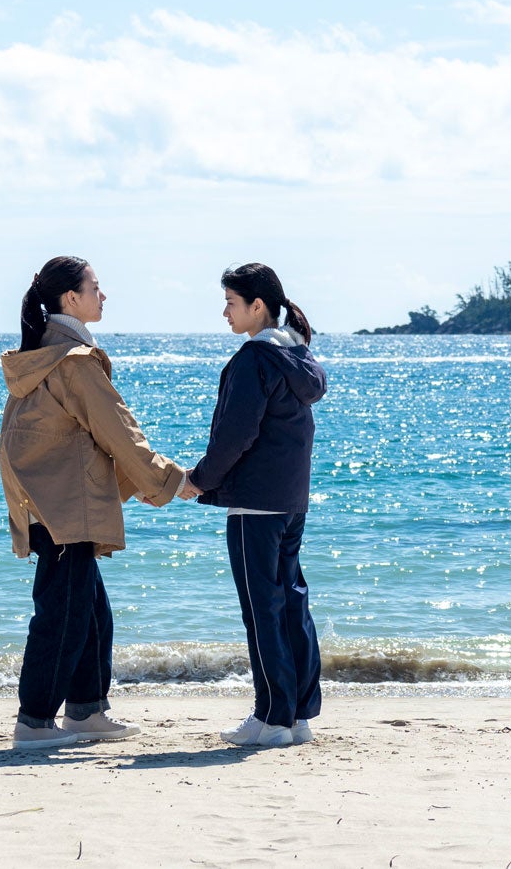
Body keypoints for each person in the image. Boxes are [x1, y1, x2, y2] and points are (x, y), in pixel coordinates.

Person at [0, 256, 197, 750]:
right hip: (65, 506)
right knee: (63, 615)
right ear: (71, 298)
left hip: (54, 501)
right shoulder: (73, 362)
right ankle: (35, 720)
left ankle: (86, 712)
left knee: (88, 611)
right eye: (95, 288)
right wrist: (169, 480)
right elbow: (119, 432)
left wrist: (149, 484)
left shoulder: (42, 355)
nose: (102, 296)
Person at [184, 263, 326, 748]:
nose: (224, 312)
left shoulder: (254, 358)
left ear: (257, 306)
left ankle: (271, 718)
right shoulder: (295, 354)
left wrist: (199, 482)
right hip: (290, 501)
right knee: (290, 604)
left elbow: (234, 436)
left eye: (231, 302)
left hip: (255, 506)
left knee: (262, 609)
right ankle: (298, 715)